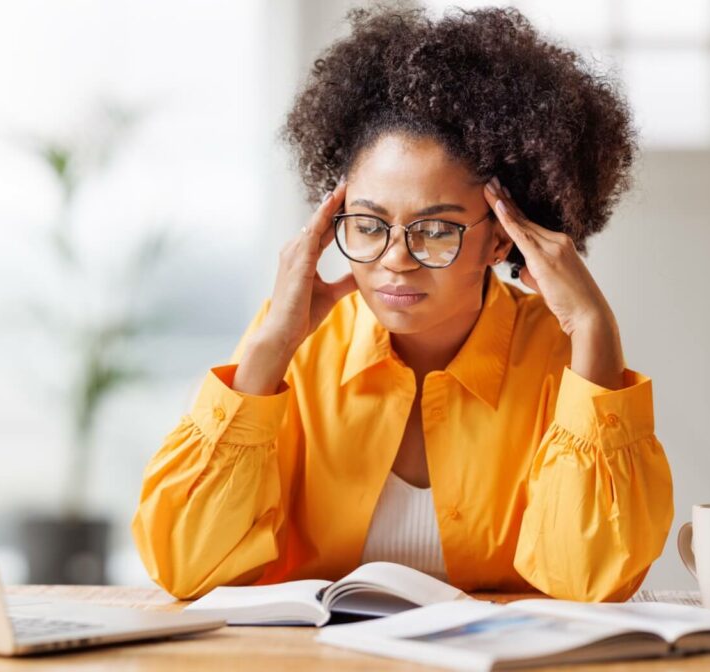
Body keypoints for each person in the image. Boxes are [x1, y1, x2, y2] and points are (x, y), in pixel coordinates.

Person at [132, 4, 673, 602]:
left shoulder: (562, 358)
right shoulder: (294, 351)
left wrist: (593, 328)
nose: (396, 258)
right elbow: (184, 565)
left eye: (436, 230)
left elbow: (592, 581)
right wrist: (267, 352)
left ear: (499, 238)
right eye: (367, 224)